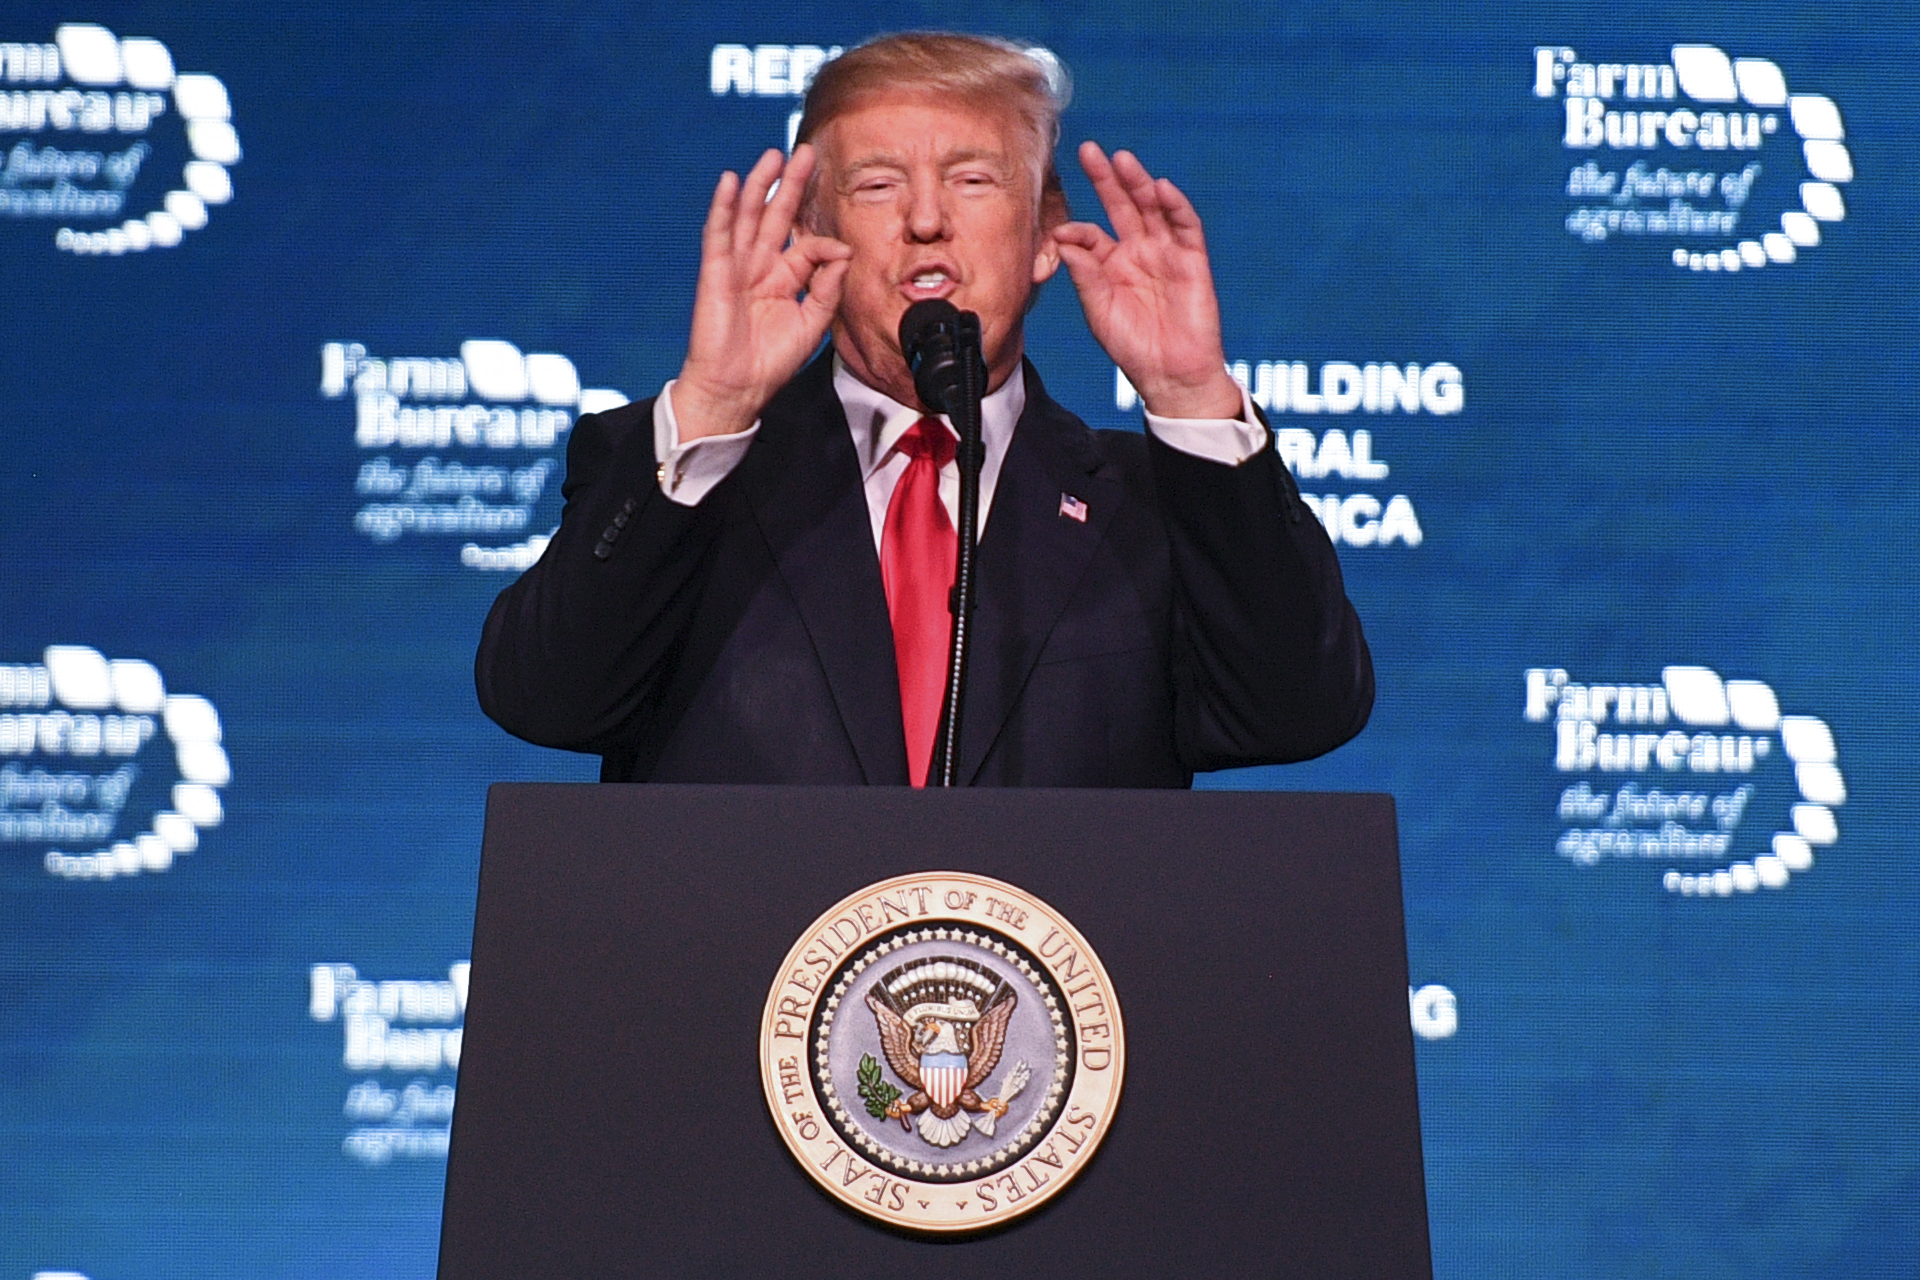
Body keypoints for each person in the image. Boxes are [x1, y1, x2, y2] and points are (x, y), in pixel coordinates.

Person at [476, 32, 1372, 786]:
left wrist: (1190, 396)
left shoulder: (1155, 503)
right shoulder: (681, 470)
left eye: (974, 180)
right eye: (877, 185)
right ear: (811, 236)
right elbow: (547, 702)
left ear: (1045, 235)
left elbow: (1299, 712)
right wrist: (715, 405)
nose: (927, 219)